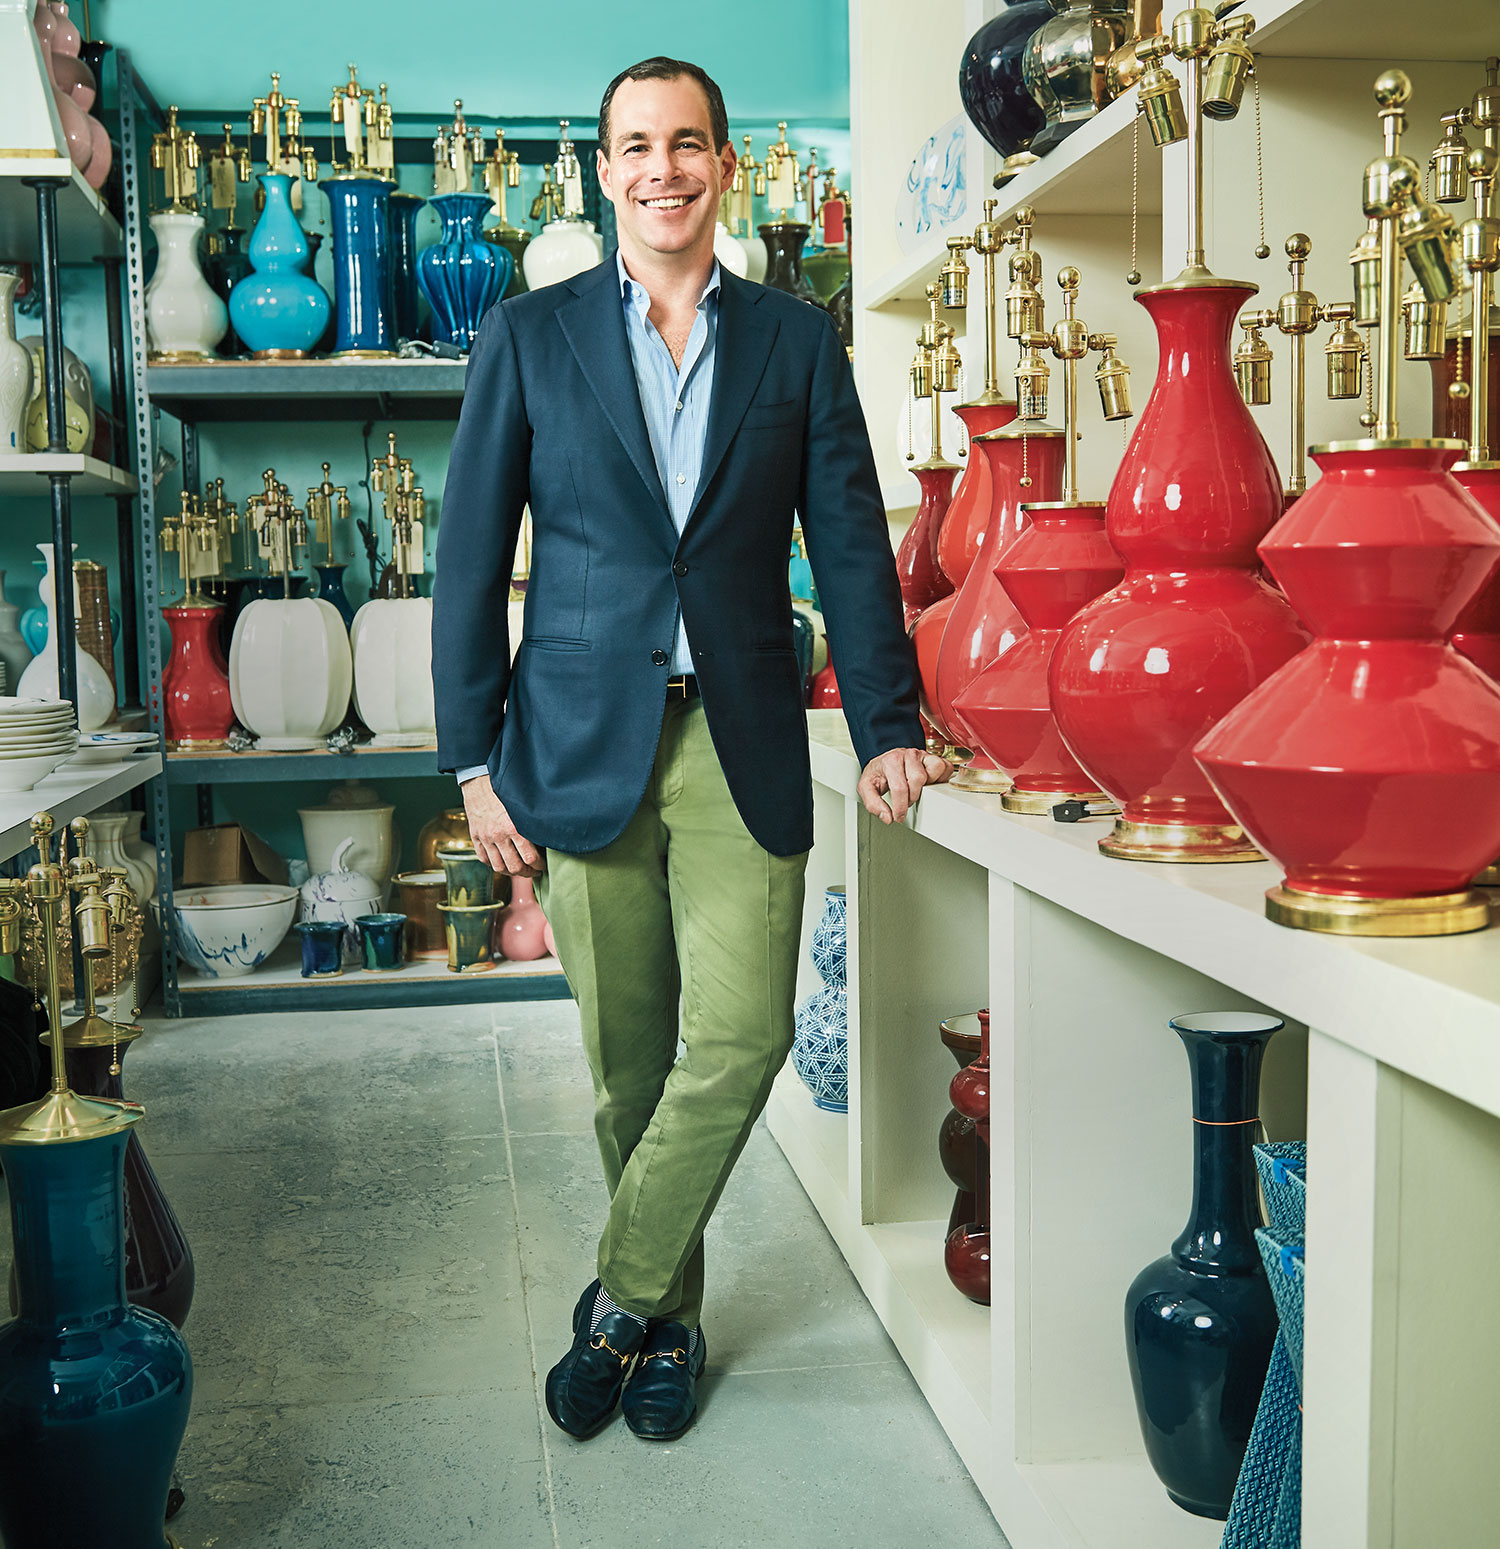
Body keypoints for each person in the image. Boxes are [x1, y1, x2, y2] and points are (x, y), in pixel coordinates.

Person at [432, 56, 950, 1443]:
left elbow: (848, 539)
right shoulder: (529, 340)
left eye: (688, 144)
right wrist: (472, 762)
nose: (662, 168)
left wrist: (889, 720)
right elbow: (470, 559)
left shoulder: (795, 340)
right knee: (629, 1066)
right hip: (578, 741)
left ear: (725, 167)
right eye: (636, 146)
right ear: (605, 173)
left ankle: (615, 1296)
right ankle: (674, 1321)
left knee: (744, 1033)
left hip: (740, 734)